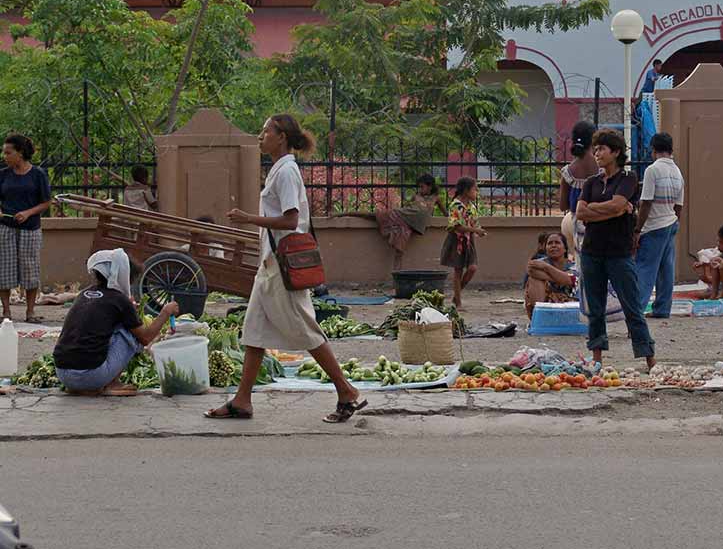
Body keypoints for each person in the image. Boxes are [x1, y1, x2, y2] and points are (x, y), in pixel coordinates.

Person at [207, 114, 366, 424]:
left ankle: (346, 391)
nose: (261, 136)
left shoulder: (287, 172)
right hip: (269, 266)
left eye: (266, 131)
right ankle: (242, 401)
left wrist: (248, 218)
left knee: (306, 330)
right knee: (253, 333)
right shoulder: (279, 170)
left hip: (282, 269)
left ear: (281, 137)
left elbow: (292, 220)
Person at [576, 129, 655, 372]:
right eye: (595, 149)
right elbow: (581, 212)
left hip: (619, 253)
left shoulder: (628, 179)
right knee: (596, 309)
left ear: (616, 152)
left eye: (601, 149)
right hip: (592, 252)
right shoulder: (591, 183)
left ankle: (648, 357)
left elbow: (619, 203)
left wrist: (602, 210)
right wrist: (612, 211)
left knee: (632, 306)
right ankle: (597, 358)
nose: (597, 153)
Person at [53, 249, 178, 396]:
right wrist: (165, 312)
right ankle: (112, 384)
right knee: (130, 335)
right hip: (90, 376)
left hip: (63, 374)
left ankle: (79, 386)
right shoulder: (119, 299)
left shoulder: (84, 294)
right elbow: (145, 338)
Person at [0, 134, 51, 323]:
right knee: (4, 268)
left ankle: (30, 312)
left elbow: (46, 202)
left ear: (20, 153)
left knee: (30, 269)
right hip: (5, 227)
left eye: (8, 152)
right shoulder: (3, 174)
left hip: (30, 228)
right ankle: (6, 312)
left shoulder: (38, 174)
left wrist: (28, 213)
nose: (4, 156)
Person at [635, 133, 685, 317]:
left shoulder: (652, 170)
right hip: (670, 222)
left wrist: (637, 229)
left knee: (645, 270)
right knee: (666, 270)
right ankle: (662, 309)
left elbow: (646, 202)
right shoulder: (677, 172)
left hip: (654, 226)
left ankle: (636, 310)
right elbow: (679, 205)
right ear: (671, 149)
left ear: (653, 149)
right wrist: (673, 220)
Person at [373, 174, 446, 270]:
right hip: (401, 217)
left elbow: (445, 213)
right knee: (375, 215)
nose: (420, 189)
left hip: (409, 225)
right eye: (419, 187)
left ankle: (397, 276)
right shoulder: (416, 196)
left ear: (430, 186)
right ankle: (349, 213)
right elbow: (407, 208)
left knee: (399, 250)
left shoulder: (435, 198)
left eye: (422, 187)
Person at [439, 176, 486, 309]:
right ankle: (458, 302)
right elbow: (456, 227)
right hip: (457, 240)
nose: (476, 192)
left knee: (472, 268)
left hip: (469, 240)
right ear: (466, 191)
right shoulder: (455, 205)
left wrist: (477, 231)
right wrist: (476, 230)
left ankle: (456, 295)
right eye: (474, 190)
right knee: (458, 270)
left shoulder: (472, 207)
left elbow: (475, 223)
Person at [559, 121, 598, 256]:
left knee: (582, 262)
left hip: (578, 224)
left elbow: (563, 205)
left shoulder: (567, 172)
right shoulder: (603, 169)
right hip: (602, 219)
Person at [523, 232, 578, 319]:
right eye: (550, 243)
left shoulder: (573, 265)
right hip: (546, 303)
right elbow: (531, 270)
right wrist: (558, 278)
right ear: (545, 249)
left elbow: (570, 280)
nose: (553, 245)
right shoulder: (538, 262)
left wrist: (546, 267)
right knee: (534, 279)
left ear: (565, 249)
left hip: (569, 306)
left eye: (557, 242)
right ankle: (540, 316)